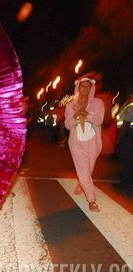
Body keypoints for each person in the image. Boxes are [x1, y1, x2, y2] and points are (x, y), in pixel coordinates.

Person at [65, 74, 104, 212]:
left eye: (88, 86)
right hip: (76, 141)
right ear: (78, 87)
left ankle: (82, 183)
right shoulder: (70, 105)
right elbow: (68, 125)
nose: (85, 88)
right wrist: (75, 115)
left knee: (89, 169)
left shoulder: (98, 103)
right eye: (83, 85)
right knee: (83, 169)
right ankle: (91, 200)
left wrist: (83, 112)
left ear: (92, 88)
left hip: (93, 141)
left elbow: (99, 120)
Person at [117, 94, 133, 188]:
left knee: (126, 159)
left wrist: (118, 138)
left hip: (129, 136)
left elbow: (125, 124)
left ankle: (125, 182)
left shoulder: (130, 107)